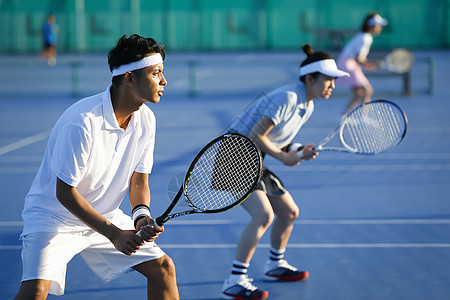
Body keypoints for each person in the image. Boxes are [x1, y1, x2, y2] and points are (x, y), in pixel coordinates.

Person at [14, 34, 179, 300]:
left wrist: (140, 217)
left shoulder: (146, 119)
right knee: (34, 292)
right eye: (156, 73)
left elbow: (138, 180)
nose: (164, 81)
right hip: (54, 218)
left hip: (105, 215)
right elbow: (65, 192)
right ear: (129, 78)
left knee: (164, 269)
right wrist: (114, 234)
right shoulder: (82, 122)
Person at [221, 45, 350, 300]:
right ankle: (234, 280)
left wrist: (299, 150)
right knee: (263, 216)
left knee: (289, 212)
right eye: (328, 80)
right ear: (310, 79)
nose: (333, 86)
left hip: (255, 157)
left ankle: (275, 264)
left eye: (334, 81)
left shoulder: (307, 105)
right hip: (233, 156)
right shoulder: (288, 97)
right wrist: (285, 158)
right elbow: (255, 134)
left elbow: (277, 141)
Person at [337, 12, 388, 116]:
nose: (380, 28)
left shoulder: (362, 35)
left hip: (346, 63)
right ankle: (363, 117)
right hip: (348, 64)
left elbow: (359, 58)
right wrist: (372, 64)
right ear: (372, 26)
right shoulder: (366, 38)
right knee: (367, 90)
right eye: (378, 25)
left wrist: (369, 64)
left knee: (359, 93)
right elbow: (359, 58)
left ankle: (343, 116)